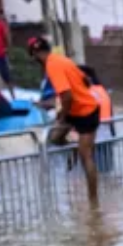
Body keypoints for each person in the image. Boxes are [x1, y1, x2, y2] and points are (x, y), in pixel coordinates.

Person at [29, 37, 101, 203]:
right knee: (54, 138)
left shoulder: (52, 65)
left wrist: (62, 117)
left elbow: (67, 96)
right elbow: (86, 80)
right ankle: (75, 147)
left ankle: (93, 201)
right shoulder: (63, 60)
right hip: (73, 110)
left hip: (87, 111)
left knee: (86, 157)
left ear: (34, 54)